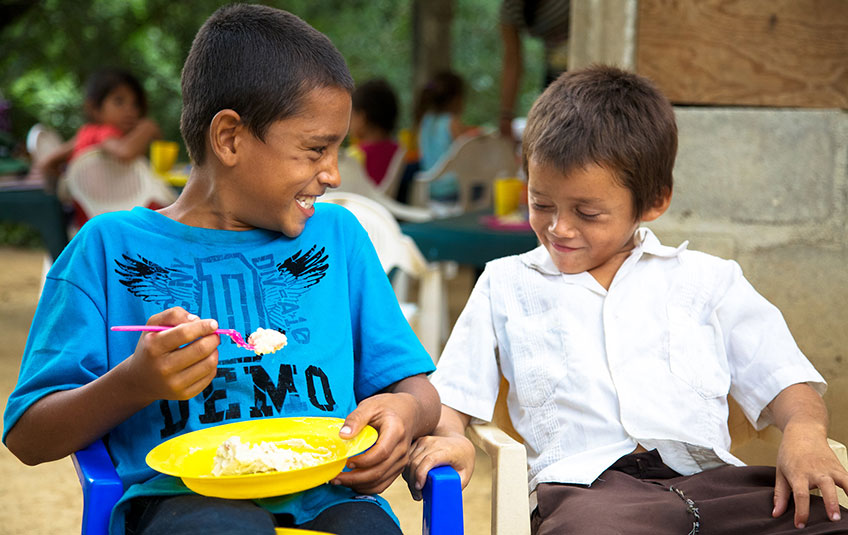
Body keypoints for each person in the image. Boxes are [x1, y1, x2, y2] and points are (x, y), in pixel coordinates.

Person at [3, 5, 439, 535]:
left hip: (331, 496)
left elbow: (416, 389)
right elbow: (28, 435)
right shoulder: (107, 248)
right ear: (229, 138)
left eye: (337, 148)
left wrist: (405, 415)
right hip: (179, 502)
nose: (332, 173)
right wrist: (133, 385)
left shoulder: (339, 239)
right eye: (315, 149)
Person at [404, 65, 848, 533]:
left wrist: (804, 431)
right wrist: (451, 437)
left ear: (654, 200)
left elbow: (786, 380)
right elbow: (453, 394)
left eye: (588, 212)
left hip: (718, 486)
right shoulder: (506, 283)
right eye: (541, 203)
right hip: (590, 495)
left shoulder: (708, 280)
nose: (560, 228)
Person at [31, 68, 161, 194]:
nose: (130, 110)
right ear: (94, 108)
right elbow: (124, 152)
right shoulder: (105, 133)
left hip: (86, 210)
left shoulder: (85, 135)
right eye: (119, 101)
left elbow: (47, 163)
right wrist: (147, 128)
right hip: (119, 210)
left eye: (135, 104)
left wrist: (71, 187)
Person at [498, 0, 570, 138]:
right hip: (557, 73)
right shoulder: (511, 8)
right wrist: (506, 115)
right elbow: (512, 61)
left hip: (589, 62)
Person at [414, 70, 478, 202]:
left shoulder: (425, 120)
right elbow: (467, 154)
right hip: (453, 190)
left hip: (430, 189)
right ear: (456, 99)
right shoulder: (452, 122)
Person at [348, 78, 401, 187]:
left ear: (362, 118)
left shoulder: (355, 155)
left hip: (360, 203)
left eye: (351, 115)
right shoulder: (400, 152)